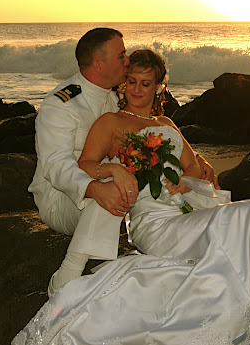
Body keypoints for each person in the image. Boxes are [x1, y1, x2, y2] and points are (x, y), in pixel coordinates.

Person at [14, 50, 250, 345]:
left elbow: (197, 171)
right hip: (153, 222)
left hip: (186, 210)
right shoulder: (111, 123)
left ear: (159, 87)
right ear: (122, 84)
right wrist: (115, 170)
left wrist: (190, 176)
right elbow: (85, 164)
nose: (137, 90)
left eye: (146, 83)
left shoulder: (167, 125)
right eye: (131, 81)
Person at [28, 29, 218, 297]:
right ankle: (68, 273)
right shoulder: (62, 104)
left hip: (116, 186)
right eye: (121, 55)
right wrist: (95, 187)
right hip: (63, 198)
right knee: (113, 182)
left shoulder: (111, 95)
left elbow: (147, 130)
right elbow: (56, 166)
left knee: (127, 175)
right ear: (98, 64)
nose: (127, 59)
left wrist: (195, 158)